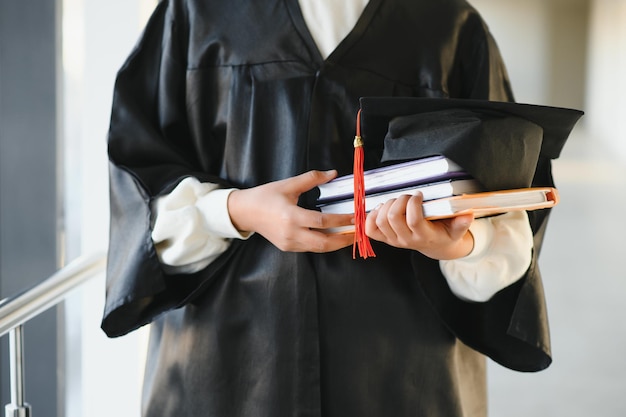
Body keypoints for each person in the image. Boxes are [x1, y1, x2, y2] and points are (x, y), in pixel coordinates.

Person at [102, 0, 553, 416]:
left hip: (402, 370)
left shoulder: (450, 25)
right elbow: (140, 189)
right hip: (230, 365)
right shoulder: (199, 12)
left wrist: (459, 244)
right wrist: (237, 210)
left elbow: (507, 205)